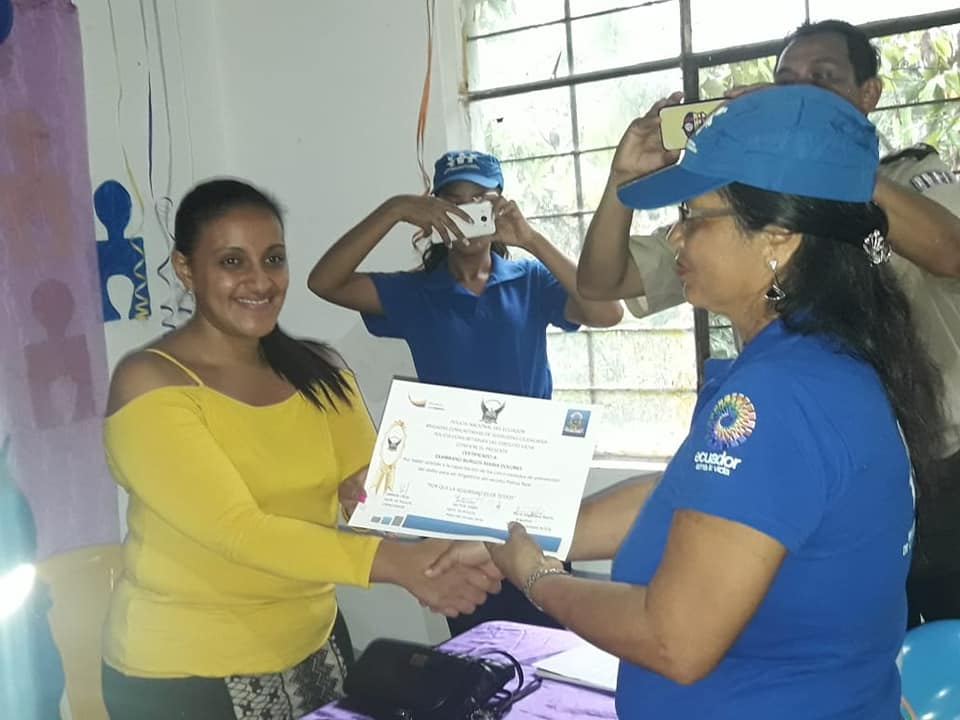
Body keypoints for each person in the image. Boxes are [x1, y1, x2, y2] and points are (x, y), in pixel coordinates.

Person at [434, 85, 946, 718]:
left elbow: (673, 639)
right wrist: (520, 533)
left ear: (778, 239)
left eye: (694, 216)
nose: (675, 236)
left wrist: (537, 578)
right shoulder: (818, 361)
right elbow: (692, 498)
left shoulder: (781, 395)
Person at [577, 18, 960, 628]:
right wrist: (622, 182)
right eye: (786, 83)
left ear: (869, 94)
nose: (800, 93)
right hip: (808, 463)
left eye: (822, 80)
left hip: (938, 463)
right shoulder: (740, 213)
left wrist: (819, 155)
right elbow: (602, 284)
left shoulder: (907, 180)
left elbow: (950, 250)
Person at [100, 179, 500, 720]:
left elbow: (374, 490)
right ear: (185, 268)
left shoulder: (319, 369)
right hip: (183, 674)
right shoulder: (149, 383)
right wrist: (403, 564)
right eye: (232, 262)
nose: (259, 280)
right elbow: (239, 531)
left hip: (316, 647)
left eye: (273, 259)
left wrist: (464, 529)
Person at [308, 150, 622, 635]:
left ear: (500, 207)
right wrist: (395, 209)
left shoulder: (529, 281)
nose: (468, 214)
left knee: (551, 623)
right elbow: (324, 282)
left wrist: (531, 239)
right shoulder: (415, 293)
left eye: (481, 200)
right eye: (454, 202)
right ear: (435, 212)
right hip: (453, 493)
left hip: (531, 484)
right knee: (477, 635)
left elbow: (607, 312)